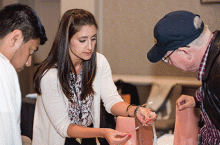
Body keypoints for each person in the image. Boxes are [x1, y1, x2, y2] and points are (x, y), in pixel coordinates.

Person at [32, 9, 157, 145]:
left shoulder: (99, 62)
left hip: (89, 136)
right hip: (60, 140)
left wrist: (136, 110)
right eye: (82, 40)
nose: (90, 47)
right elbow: (64, 127)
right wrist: (103, 132)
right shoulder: (49, 76)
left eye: (93, 39)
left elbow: (111, 100)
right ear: (67, 40)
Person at [147, 10, 220, 144]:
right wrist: (198, 100)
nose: (169, 62)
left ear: (185, 52)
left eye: (167, 57)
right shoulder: (212, 56)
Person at [0, 3, 47, 145]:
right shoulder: (4, 70)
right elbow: (6, 136)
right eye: (31, 51)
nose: (28, 63)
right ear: (15, 38)